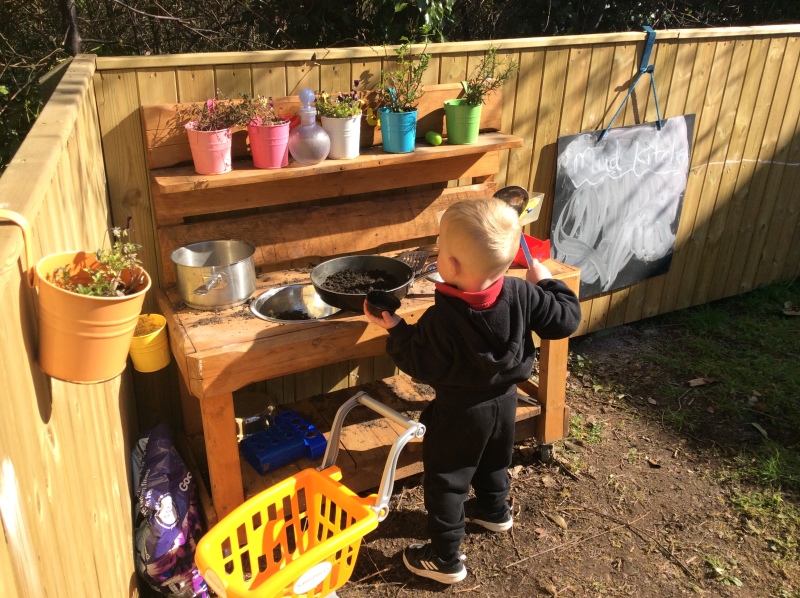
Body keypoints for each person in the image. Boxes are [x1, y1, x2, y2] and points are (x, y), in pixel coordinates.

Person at [363, 197, 581, 584]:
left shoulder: (442, 319)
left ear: (451, 266)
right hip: (505, 403)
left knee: (446, 480)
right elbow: (565, 318)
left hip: (458, 414)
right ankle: (494, 512)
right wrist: (546, 281)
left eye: (440, 250)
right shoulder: (523, 293)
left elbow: (419, 362)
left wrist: (395, 328)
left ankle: (445, 558)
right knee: (494, 459)